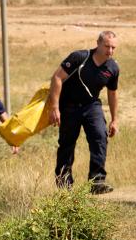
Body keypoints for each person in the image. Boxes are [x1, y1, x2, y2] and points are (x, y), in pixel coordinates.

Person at [47, 30, 120, 193]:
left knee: (100, 137)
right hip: (69, 106)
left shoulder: (112, 67)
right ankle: (65, 186)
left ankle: (97, 182)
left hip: (91, 105)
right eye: (107, 46)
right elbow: (57, 78)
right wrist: (55, 107)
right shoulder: (79, 57)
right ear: (98, 43)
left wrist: (115, 119)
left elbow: (112, 93)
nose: (110, 51)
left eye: (113, 48)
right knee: (67, 144)